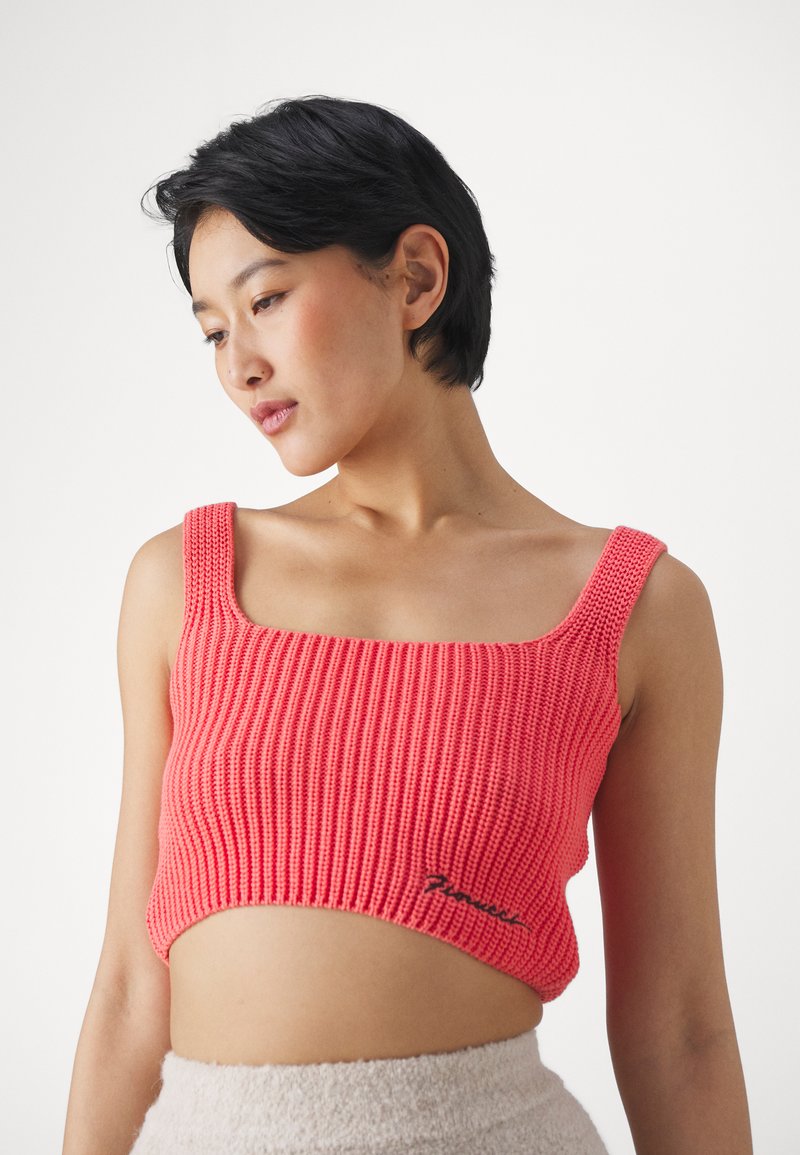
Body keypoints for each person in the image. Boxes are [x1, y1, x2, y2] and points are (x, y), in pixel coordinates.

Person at [62, 94, 752, 1155]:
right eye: (213, 331)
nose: (238, 365)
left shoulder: (639, 608)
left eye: (267, 299)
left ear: (418, 277)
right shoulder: (185, 582)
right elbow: (125, 989)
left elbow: (680, 1028)